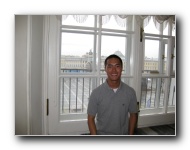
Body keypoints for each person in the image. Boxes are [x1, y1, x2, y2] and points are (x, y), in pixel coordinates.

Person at [87, 54, 138, 135]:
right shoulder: (96, 93)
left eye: (117, 66)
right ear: (105, 69)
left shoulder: (130, 92)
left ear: (121, 69)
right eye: (110, 66)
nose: (114, 70)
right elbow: (90, 118)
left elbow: (133, 115)